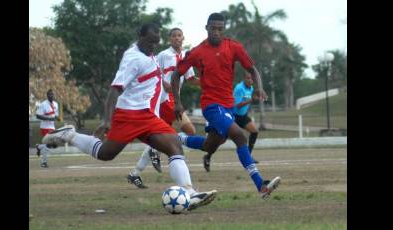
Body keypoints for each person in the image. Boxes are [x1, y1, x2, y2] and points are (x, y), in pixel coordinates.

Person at [42, 23, 217, 210]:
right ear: (140, 37)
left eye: (155, 43)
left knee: (174, 145)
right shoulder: (133, 59)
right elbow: (114, 90)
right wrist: (107, 120)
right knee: (105, 153)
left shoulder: (148, 54)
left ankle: (189, 193)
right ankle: (69, 135)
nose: (153, 46)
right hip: (129, 115)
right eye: (150, 42)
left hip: (148, 117)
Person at [170, 13, 280, 199]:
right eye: (213, 28)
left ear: (224, 29)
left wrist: (259, 88)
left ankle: (177, 138)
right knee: (239, 136)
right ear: (207, 28)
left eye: (220, 29)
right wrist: (177, 102)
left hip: (227, 106)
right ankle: (261, 185)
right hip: (212, 106)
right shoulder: (197, 52)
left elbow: (252, 68)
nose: (216, 32)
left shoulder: (233, 47)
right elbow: (176, 74)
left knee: (209, 146)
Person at [127, 27, 200, 189]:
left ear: (183, 38)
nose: (176, 38)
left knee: (158, 140)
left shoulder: (186, 57)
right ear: (169, 40)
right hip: (164, 100)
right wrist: (163, 82)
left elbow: (191, 79)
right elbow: (153, 71)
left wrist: (208, 80)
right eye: (173, 36)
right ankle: (174, 156)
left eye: (179, 35)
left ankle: (135, 173)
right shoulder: (164, 55)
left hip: (174, 99)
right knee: (190, 131)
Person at [233, 72, 260, 163]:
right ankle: (208, 156)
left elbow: (248, 102)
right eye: (248, 78)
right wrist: (251, 99)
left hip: (242, 116)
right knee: (221, 139)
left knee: (254, 131)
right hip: (233, 116)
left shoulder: (251, 88)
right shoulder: (239, 88)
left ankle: (248, 157)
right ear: (244, 78)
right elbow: (238, 105)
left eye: (251, 79)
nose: (250, 80)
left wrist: (257, 98)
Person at [35, 89, 60, 168]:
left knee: (54, 145)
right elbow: (38, 115)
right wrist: (48, 119)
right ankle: (44, 163)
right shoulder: (43, 104)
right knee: (48, 144)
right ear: (47, 95)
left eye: (53, 94)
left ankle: (39, 147)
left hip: (52, 127)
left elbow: (55, 115)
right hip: (44, 127)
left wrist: (57, 118)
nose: (51, 96)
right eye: (50, 94)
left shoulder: (56, 104)